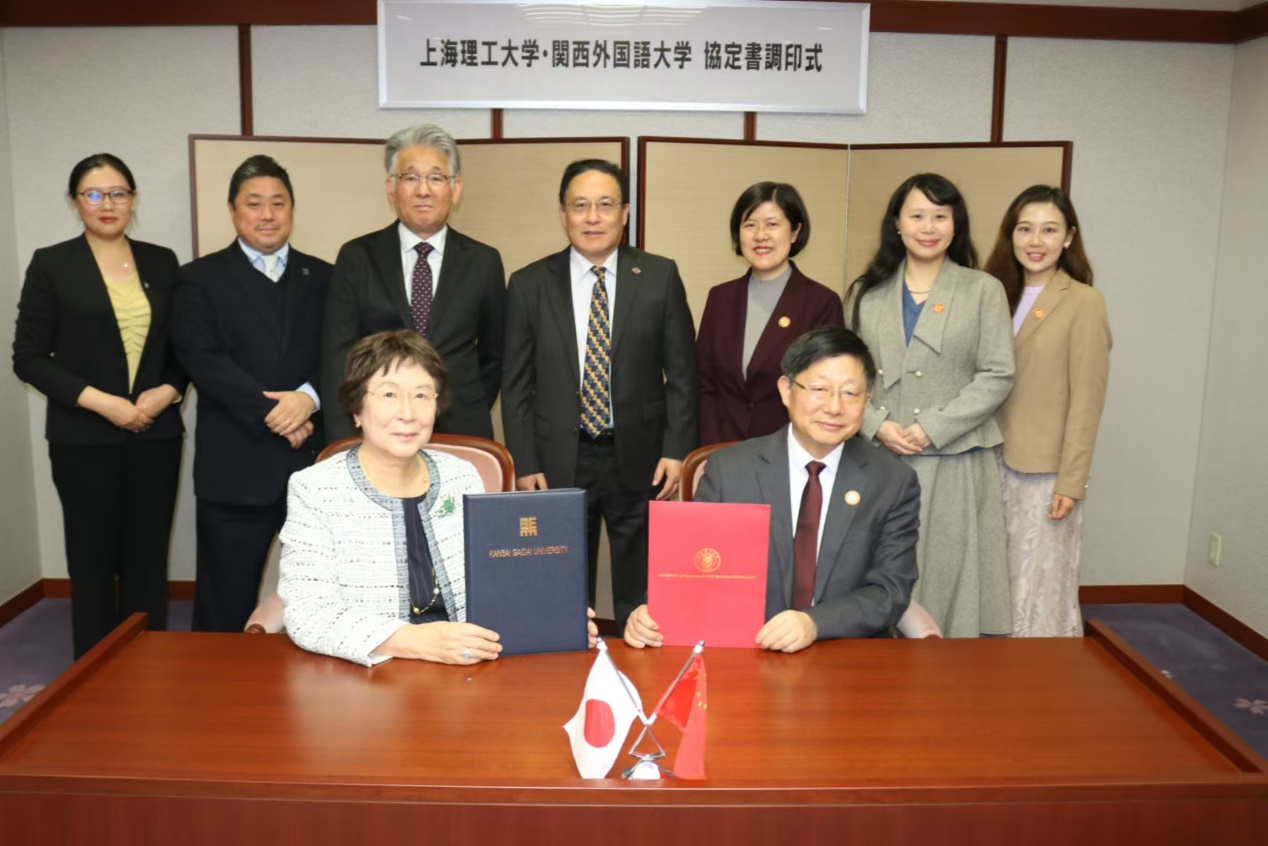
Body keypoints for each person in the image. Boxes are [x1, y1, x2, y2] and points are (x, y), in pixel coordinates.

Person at [279, 330, 598, 666]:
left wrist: (552, 617)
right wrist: (415, 641)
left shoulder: (460, 476)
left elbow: (499, 583)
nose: (407, 413)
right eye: (389, 394)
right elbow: (309, 613)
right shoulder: (316, 488)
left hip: (467, 669)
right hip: (371, 675)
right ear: (356, 409)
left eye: (421, 395)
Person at [624, 327, 920, 651]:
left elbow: (890, 590)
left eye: (850, 393)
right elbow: (690, 568)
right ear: (786, 390)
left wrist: (814, 623)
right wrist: (652, 613)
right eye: (820, 389)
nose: (835, 407)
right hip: (744, 651)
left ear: (868, 399)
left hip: (845, 653)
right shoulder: (730, 470)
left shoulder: (892, 481)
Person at [501, 159, 698, 632]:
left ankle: (641, 658)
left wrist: (676, 450)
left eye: (605, 205)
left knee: (641, 579)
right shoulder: (529, 284)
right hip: (557, 457)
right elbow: (516, 384)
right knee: (561, 572)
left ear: (624, 213)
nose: (593, 217)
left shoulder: (659, 275)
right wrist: (524, 461)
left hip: (641, 454)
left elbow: (684, 375)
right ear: (563, 214)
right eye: (580, 206)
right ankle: (569, 654)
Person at [13, 153, 186, 657]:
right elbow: (28, 358)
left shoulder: (162, 260)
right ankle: (94, 673)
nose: (106, 204)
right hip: (83, 438)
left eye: (118, 194)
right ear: (74, 203)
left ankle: (149, 665)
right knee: (91, 563)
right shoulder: (52, 263)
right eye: (93, 194)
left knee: (147, 558)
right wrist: (104, 404)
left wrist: (169, 391)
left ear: (133, 200)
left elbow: (183, 347)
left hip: (155, 434)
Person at [846, 173, 1014, 639]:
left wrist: (934, 428)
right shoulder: (866, 292)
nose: (928, 227)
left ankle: (946, 669)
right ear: (896, 223)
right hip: (878, 456)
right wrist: (876, 424)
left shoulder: (983, 289)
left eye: (940, 216)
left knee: (947, 569)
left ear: (955, 225)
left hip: (954, 456)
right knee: (874, 564)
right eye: (917, 215)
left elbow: (997, 373)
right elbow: (848, 375)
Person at [172, 155, 331, 633]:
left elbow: (342, 353)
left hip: (313, 462)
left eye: (278, 203)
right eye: (254, 203)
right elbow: (203, 360)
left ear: (292, 209)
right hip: (235, 466)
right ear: (233, 210)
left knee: (319, 595)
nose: (267, 214)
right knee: (225, 600)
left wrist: (309, 399)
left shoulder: (326, 276)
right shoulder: (198, 278)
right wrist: (278, 413)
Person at [321, 124, 506, 442]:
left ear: (455, 189)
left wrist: (462, 403)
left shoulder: (484, 261)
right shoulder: (357, 257)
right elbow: (338, 357)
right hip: (378, 430)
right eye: (410, 178)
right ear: (391, 189)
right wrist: (344, 439)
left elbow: (495, 355)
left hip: (462, 427)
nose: (423, 190)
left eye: (436, 178)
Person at [984, 185, 1111, 637]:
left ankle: (1037, 672)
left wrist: (1071, 481)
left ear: (1069, 236)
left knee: (1036, 588)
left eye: (1049, 230)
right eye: (1025, 229)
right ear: (1010, 234)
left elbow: (1087, 400)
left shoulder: (1083, 301)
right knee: (992, 582)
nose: (1035, 241)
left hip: (1042, 474)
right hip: (984, 461)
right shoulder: (990, 293)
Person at [696, 182, 844, 446]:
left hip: (790, 453)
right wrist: (711, 451)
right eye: (750, 225)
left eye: (772, 224)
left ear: (795, 232)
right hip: (723, 452)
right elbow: (704, 384)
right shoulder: (720, 298)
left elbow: (826, 392)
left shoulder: (821, 303)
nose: (760, 235)